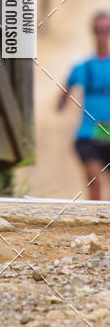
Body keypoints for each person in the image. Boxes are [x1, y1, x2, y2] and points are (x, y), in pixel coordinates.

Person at [58, 11, 110, 200]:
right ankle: (95, 217)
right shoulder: (82, 65)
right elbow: (65, 91)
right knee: (94, 182)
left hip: (107, 131)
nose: (102, 35)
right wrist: (62, 101)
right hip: (88, 133)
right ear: (93, 32)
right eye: (98, 30)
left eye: (106, 30)